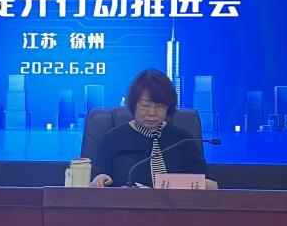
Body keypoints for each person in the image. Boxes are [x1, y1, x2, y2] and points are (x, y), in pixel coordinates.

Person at [90, 69, 218, 189]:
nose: (152, 112)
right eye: (145, 105)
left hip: (176, 205)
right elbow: (96, 180)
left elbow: (212, 185)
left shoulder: (183, 140)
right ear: (133, 104)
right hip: (126, 205)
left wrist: (182, 184)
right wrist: (100, 179)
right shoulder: (113, 138)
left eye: (160, 106)